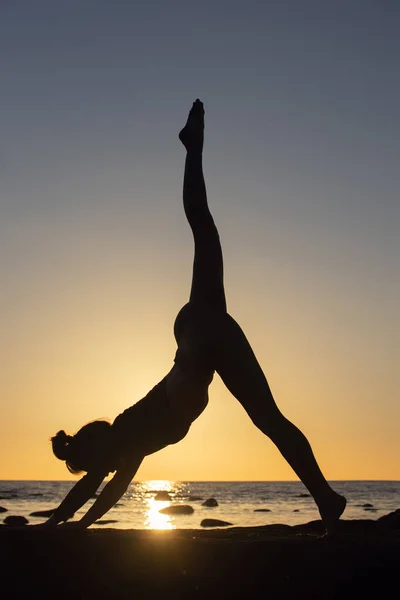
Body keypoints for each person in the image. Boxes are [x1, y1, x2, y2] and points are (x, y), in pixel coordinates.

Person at [44, 100, 346, 533]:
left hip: (197, 348)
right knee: (203, 228)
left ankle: (326, 498)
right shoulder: (123, 436)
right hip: (195, 333)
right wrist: (60, 518)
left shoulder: (127, 446)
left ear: (98, 455)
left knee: (270, 419)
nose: (102, 474)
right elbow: (94, 484)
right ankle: (192, 150)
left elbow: (102, 488)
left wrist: (73, 524)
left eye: (95, 467)